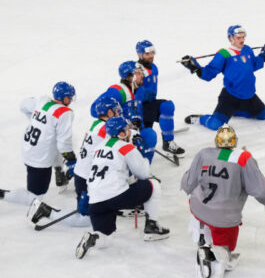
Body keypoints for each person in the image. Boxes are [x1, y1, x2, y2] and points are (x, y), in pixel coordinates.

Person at [181, 124, 265, 278]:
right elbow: (260, 189)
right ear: (235, 141)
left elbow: (188, 182)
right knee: (225, 247)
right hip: (224, 217)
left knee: (202, 215)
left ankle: (203, 242)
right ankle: (216, 253)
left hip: (199, 209)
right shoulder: (243, 158)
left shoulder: (203, 153)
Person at [75, 116, 170, 259]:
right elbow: (144, 174)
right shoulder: (125, 146)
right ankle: (152, 227)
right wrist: (144, 155)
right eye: (127, 130)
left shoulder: (98, 148)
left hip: (95, 201)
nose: (130, 132)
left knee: (107, 237)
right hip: (116, 197)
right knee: (153, 185)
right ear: (121, 133)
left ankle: (93, 238)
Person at [2, 82, 77, 225]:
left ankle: (58, 170)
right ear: (64, 97)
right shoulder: (65, 113)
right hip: (39, 159)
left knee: (52, 141)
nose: (71, 100)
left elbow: (23, 104)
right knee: (35, 198)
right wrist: (72, 161)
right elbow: (64, 144)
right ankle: (3, 194)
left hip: (28, 149)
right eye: (70, 97)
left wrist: (35, 119)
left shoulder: (43, 101)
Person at [180, 24, 265, 130]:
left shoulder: (247, 50)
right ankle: (202, 119)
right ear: (230, 38)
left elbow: (253, 65)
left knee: (264, 115)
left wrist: (264, 55)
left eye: (243, 37)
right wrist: (196, 68)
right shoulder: (224, 54)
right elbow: (209, 73)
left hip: (249, 96)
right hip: (231, 97)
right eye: (238, 37)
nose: (242, 40)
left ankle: (237, 111)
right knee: (216, 125)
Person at [71, 96, 123, 227]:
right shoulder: (106, 129)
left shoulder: (96, 124)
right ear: (109, 112)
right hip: (88, 179)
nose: (118, 113)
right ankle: (49, 213)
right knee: (87, 219)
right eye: (115, 111)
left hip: (82, 174)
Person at [92, 61, 158, 162]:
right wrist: (117, 122)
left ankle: (143, 170)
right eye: (139, 73)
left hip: (131, 131)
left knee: (150, 134)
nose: (143, 76)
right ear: (130, 76)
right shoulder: (119, 91)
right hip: (119, 134)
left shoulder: (137, 90)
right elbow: (93, 109)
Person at [135, 40, 184, 157]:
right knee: (146, 140)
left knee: (167, 106)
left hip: (150, 105)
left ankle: (168, 142)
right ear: (139, 54)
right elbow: (133, 97)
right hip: (138, 109)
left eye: (152, 53)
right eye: (147, 54)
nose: (151, 56)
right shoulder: (135, 71)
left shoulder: (154, 68)